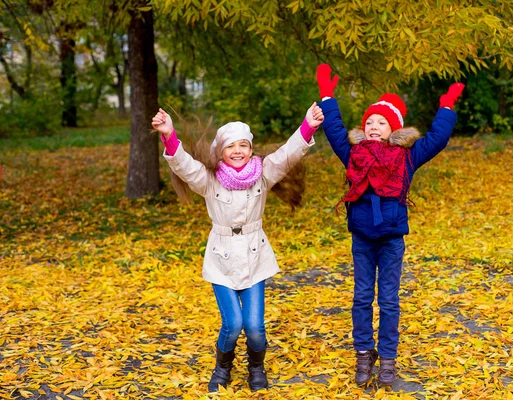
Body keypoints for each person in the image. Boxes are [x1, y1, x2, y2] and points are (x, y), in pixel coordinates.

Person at [151, 103, 324, 392]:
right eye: (231, 146)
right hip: (222, 259)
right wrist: (169, 135)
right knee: (232, 325)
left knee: (255, 327)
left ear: (251, 149)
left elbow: (286, 155)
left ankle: (257, 367)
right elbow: (183, 164)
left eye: (244, 145)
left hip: (256, 257)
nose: (238, 151)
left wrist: (307, 125)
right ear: (221, 151)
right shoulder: (209, 179)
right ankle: (223, 367)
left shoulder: (263, 174)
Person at [315, 64, 464, 386]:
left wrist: (447, 107)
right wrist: (327, 97)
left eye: (381, 122)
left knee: (389, 301)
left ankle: (389, 359)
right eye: (369, 121)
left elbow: (438, 138)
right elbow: (335, 130)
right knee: (361, 297)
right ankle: (364, 354)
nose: (373, 126)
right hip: (363, 239)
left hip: (392, 238)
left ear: (393, 128)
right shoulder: (354, 153)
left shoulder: (407, 157)